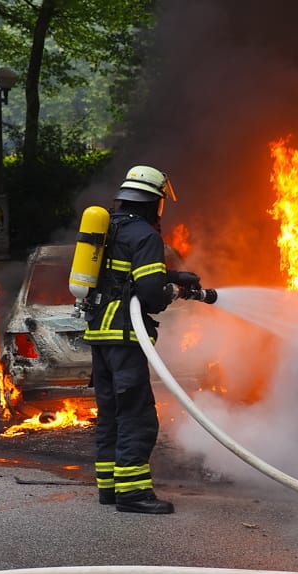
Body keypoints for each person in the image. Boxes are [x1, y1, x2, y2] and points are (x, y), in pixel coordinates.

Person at [83, 164, 202, 515]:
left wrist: (173, 274)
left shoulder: (110, 228)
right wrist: (169, 291)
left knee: (111, 415)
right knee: (137, 416)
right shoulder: (146, 235)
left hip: (100, 334)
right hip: (124, 335)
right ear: (154, 202)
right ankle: (133, 493)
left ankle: (109, 488)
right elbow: (149, 292)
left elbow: (123, 274)